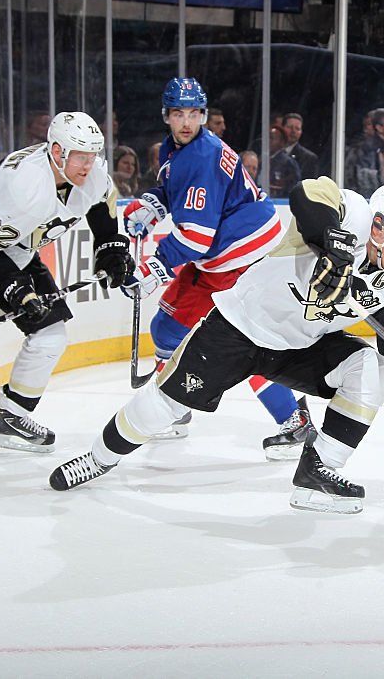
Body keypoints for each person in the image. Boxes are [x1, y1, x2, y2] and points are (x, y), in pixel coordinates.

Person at [50, 179, 384, 516]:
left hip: (298, 348)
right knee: (161, 406)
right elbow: (308, 193)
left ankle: (318, 475)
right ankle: (99, 457)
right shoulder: (349, 213)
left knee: (371, 368)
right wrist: (332, 248)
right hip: (237, 327)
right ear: (378, 225)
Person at [0, 111, 135, 457]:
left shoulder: (90, 173)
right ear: (57, 152)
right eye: (80, 156)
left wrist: (110, 249)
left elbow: (102, 205)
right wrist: (19, 291)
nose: (88, 165)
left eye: (93, 156)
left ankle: (12, 417)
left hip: (13, 243)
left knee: (51, 335)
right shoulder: (25, 186)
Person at [119, 77, 314, 457]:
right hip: (226, 254)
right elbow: (179, 191)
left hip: (238, 257)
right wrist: (154, 204)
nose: (187, 122)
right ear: (167, 117)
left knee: (243, 343)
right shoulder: (180, 150)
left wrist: (154, 267)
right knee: (170, 324)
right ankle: (173, 409)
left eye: (194, 114)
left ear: (204, 115)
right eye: (179, 114)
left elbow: (195, 238)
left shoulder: (199, 156)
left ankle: (295, 422)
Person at [282, 112, 320, 180]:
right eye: (290, 127)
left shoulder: (309, 158)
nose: (293, 131)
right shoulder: (271, 151)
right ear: (282, 128)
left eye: (297, 129)